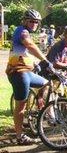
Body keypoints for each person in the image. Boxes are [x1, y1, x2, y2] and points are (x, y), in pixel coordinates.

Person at [6, 9, 51, 145]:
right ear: (25, 21)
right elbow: (29, 46)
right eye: (31, 21)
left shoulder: (26, 33)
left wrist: (35, 63)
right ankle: (20, 137)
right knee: (21, 106)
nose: (34, 24)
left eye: (36, 22)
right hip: (18, 73)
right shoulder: (21, 31)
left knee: (47, 84)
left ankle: (38, 108)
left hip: (28, 72)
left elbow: (24, 53)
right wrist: (45, 61)